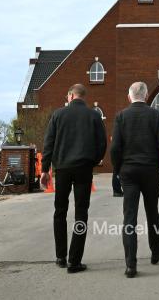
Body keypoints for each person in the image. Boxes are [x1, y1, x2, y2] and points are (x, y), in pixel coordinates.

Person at [41, 83, 107, 274]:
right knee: (81, 213)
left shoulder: (58, 115)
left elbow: (49, 143)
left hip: (62, 168)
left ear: (70, 96)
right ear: (83, 97)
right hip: (84, 169)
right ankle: (74, 260)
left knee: (60, 211)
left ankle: (60, 256)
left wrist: (45, 169)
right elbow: (102, 143)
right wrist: (93, 160)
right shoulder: (94, 115)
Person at [110, 81, 159, 278]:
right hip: (151, 170)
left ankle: (131, 265)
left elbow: (115, 148)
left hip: (128, 172)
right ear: (146, 96)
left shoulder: (121, 116)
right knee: (152, 213)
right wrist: (158, 167)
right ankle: (156, 251)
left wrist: (118, 170)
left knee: (129, 217)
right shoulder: (156, 115)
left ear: (129, 97)